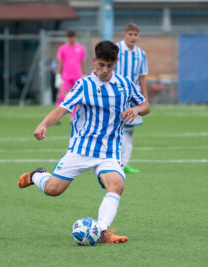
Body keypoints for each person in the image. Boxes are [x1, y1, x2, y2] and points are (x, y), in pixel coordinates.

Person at [18, 41, 150, 243]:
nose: (105, 70)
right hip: (82, 149)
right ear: (94, 61)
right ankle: (37, 175)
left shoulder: (125, 85)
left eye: (109, 65)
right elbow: (62, 109)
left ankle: (103, 231)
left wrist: (136, 110)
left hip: (110, 151)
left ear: (116, 62)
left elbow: (145, 105)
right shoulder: (84, 85)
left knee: (116, 185)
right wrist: (44, 123)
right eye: (101, 65)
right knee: (53, 190)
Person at [114, 23, 149, 174]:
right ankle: (107, 161)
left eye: (135, 35)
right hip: (114, 95)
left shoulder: (141, 54)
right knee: (112, 128)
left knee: (128, 131)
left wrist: (144, 98)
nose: (133, 37)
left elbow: (142, 77)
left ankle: (124, 163)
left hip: (131, 97)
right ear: (124, 35)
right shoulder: (115, 50)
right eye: (130, 34)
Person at [55, 30, 86, 120]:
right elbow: (60, 63)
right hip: (66, 76)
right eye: (69, 37)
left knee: (76, 96)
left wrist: (84, 75)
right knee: (61, 95)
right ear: (67, 38)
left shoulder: (80, 48)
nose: (71, 39)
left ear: (75, 37)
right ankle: (57, 117)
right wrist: (58, 76)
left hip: (77, 75)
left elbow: (82, 62)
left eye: (72, 37)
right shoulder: (62, 48)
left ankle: (73, 117)